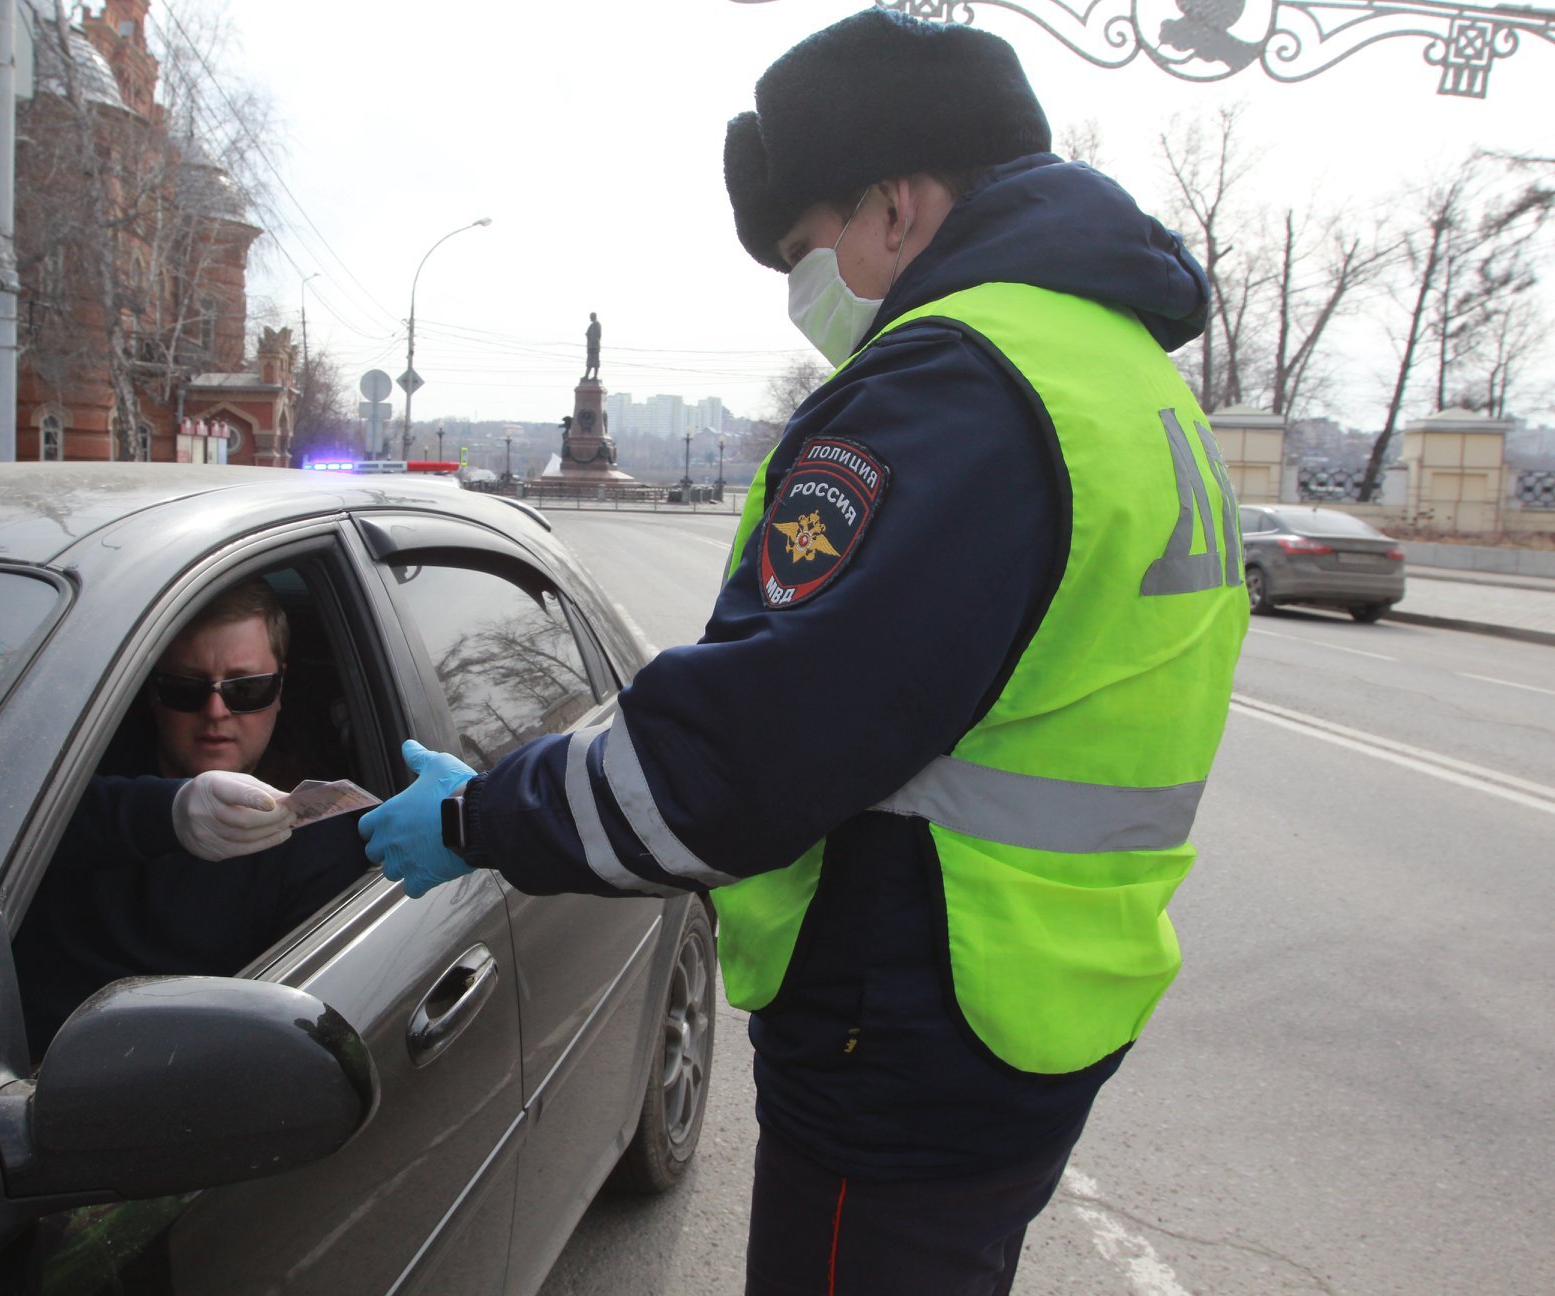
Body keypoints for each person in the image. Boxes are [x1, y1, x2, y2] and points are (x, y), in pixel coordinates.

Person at [361, 11, 1247, 1295]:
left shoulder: (956, 387)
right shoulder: (1121, 375)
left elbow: (745, 753)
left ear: (895, 204)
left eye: (803, 250)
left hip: (909, 1023)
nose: (801, 293)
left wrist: (481, 818)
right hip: (1042, 999)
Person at [15, 579, 366, 1060]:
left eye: (248, 689)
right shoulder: (77, 760)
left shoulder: (319, 833)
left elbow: (278, 1036)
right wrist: (165, 813)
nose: (215, 712)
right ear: (152, 690)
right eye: (185, 688)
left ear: (281, 686)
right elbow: (2, 815)